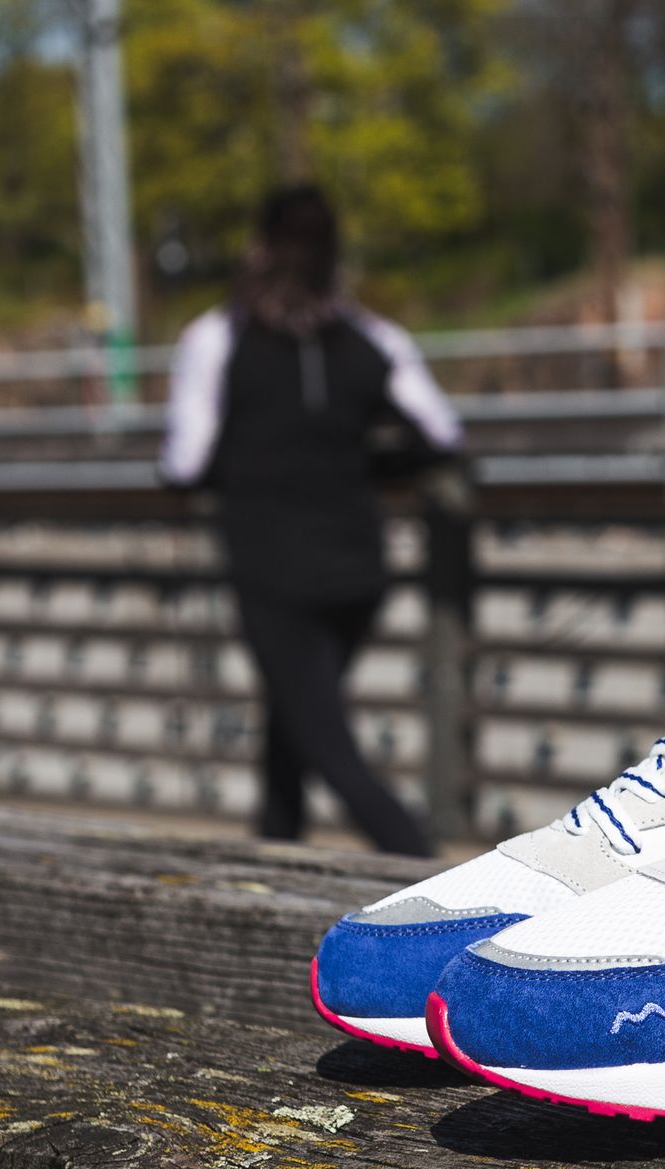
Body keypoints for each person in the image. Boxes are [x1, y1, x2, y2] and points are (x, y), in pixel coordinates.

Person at [159, 184, 455, 857]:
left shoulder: (218, 337)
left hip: (273, 572)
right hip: (359, 570)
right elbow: (441, 435)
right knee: (291, 724)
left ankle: (440, 884)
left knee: (329, 750)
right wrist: (368, 464)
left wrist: (246, 465)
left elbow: (184, 462)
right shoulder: (371, 337)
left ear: (259, 246)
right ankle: (274, 852)